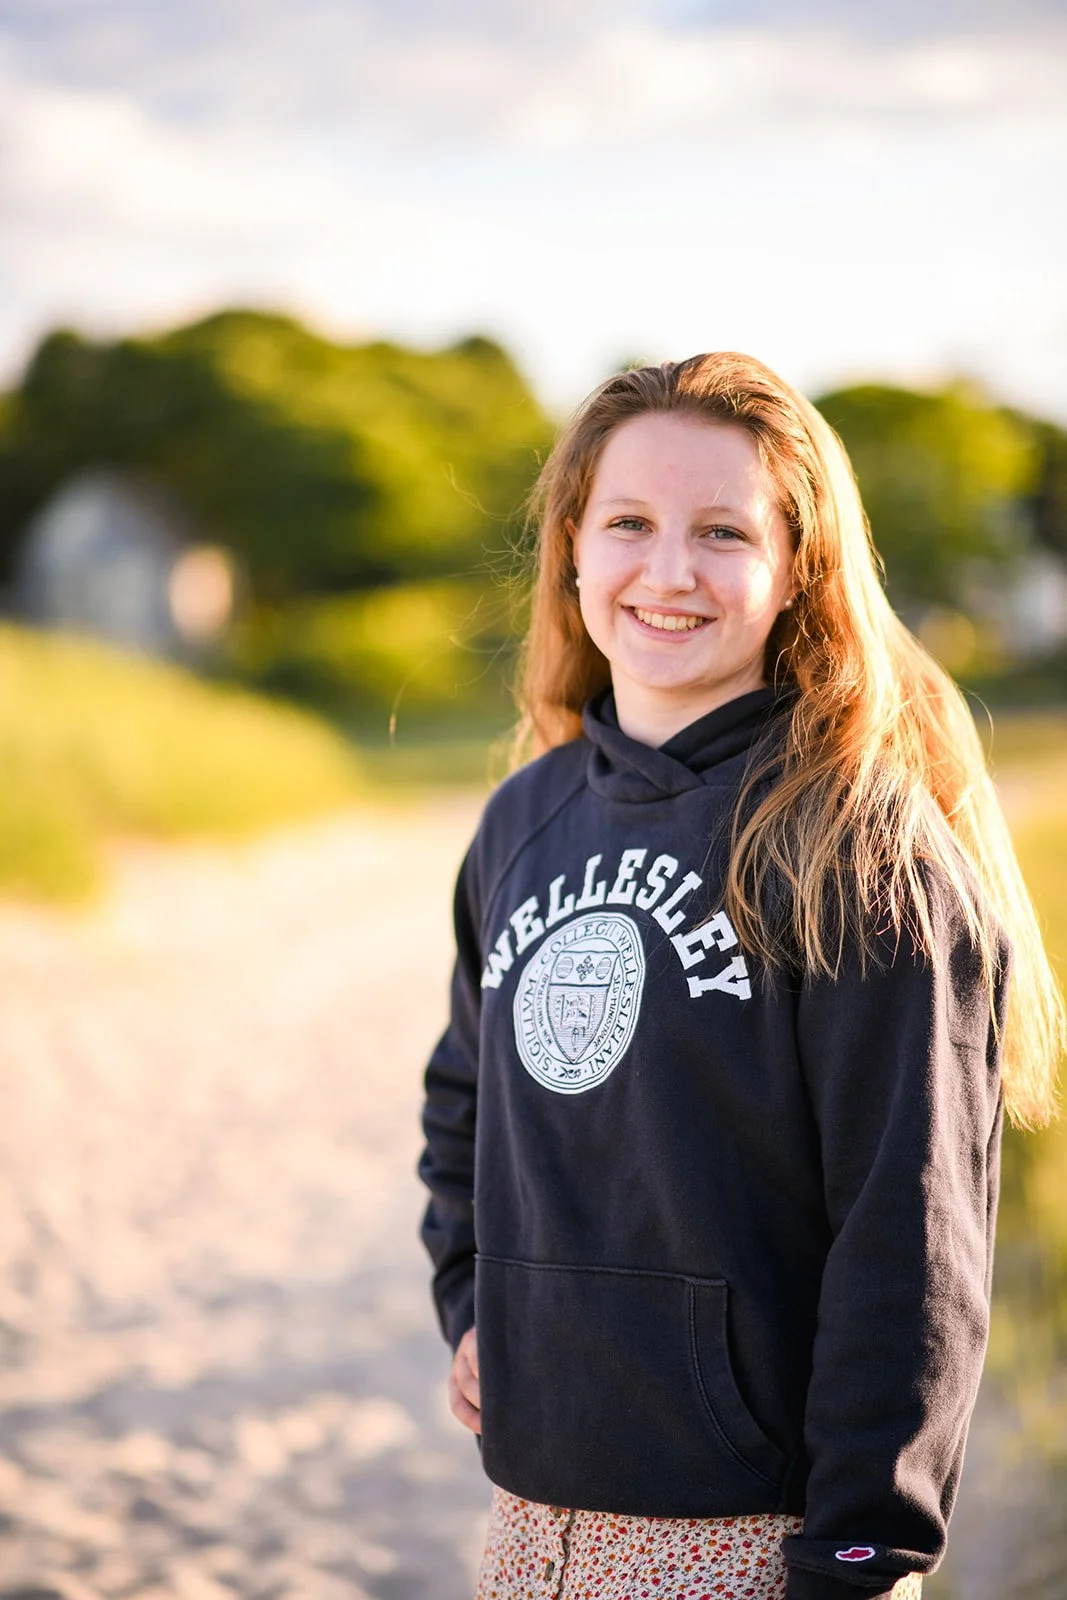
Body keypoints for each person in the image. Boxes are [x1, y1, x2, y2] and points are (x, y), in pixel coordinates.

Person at [417, 352, 1062, 1600]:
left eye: (721, 531)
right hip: (526, 1519)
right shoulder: (522, 820)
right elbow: (464, 1106)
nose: (667, 572)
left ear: (795, 569)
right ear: (569, 547)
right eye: (629, 524)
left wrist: (862, 1554)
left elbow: (910, 1233)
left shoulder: (854, 848)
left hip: (751, 1547)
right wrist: (471, 1301)